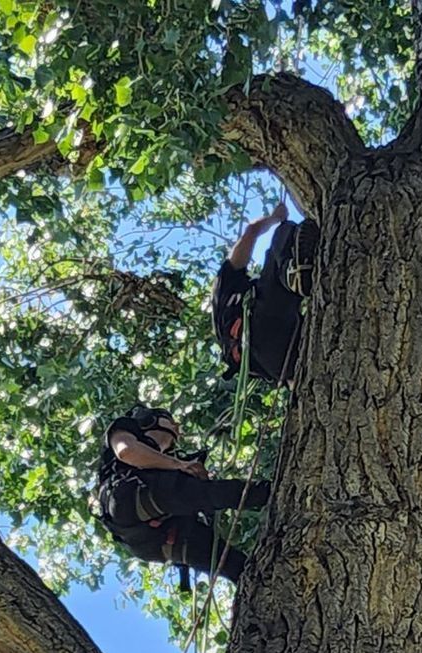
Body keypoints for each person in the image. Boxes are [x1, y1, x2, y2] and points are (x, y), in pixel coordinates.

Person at [93, 405, 269, 585]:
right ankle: (267, 492)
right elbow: (126, 451)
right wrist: (179, 465)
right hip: (126, 498)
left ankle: (260, 583)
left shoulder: (165, 463)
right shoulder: (126, 428)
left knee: (235, 566)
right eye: (169, 421)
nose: (176, 427)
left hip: (154, 539)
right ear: (148, 420)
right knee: (207, 493)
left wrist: (192, 473)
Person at [211, 200, 318, 384]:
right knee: (283, 233)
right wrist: (277, 218)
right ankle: (291, 270)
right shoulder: (225, 285)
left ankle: (297, 274)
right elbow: (251, 231)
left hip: (276, 364)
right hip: (263, 322)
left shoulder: (223, 319)